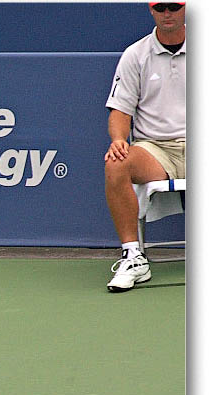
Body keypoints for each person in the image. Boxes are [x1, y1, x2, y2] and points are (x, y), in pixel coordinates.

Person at [104, 2, 185, 292]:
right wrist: (118, 140)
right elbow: (120, 111)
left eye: (174, 7)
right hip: (155, 150)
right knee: (116, 162)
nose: (167, 13)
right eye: (160, 7)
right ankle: (133, 256)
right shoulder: (135, 55)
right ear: (151, 11)